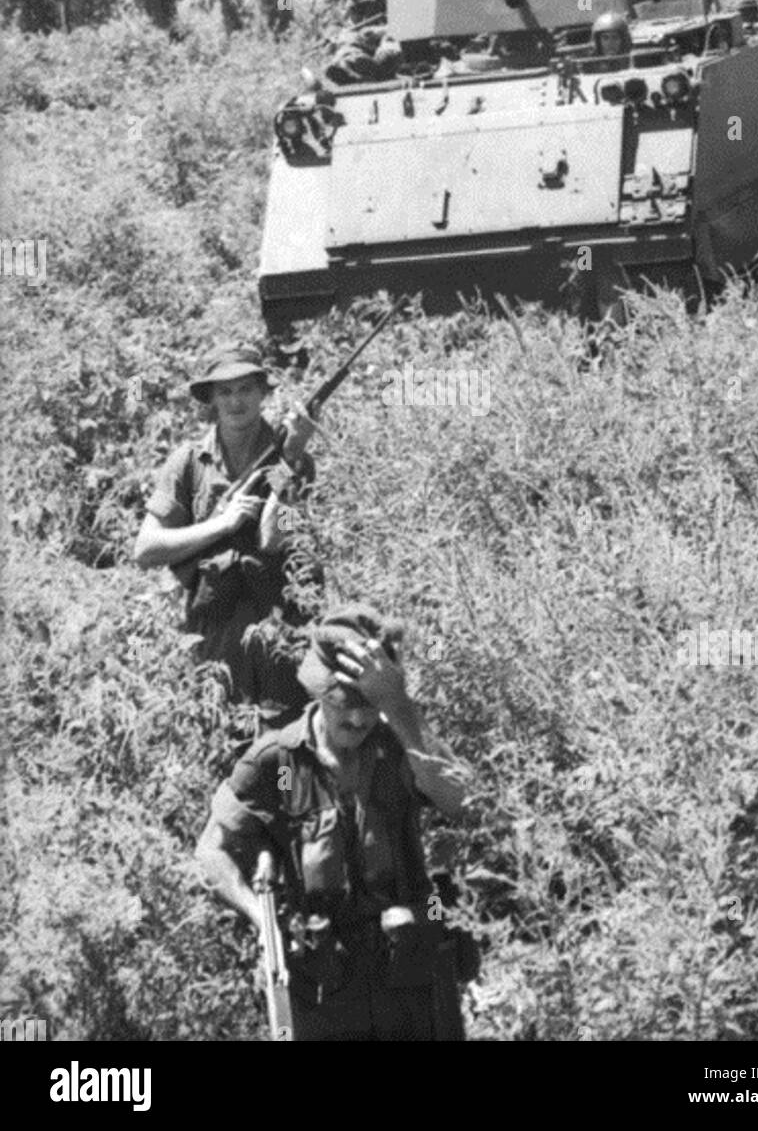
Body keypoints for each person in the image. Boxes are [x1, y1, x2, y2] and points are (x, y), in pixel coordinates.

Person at [196, 603, 475, 1042]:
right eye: (344, 703)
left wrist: (398, 705)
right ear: (317, 692)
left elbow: (460, 799)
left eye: (370, 704)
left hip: (409, 982)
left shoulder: (400, 747)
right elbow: (211, 850)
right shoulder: (281, 765)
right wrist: (259, 918)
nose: (358, 719)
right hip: (324, 992)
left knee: (434, 918)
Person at [134, 344, 320, 725]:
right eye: (225, 391)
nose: (236, 402)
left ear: (263, 393)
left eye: (246, 389)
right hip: (214, 635)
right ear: (212, 399)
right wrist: (222, 524)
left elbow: (275, 537)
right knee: (221, 738)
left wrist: (289, 463)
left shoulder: (294, 457)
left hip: (278, 628)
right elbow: (146, 549)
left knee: (283, 743)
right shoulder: (188, 462)